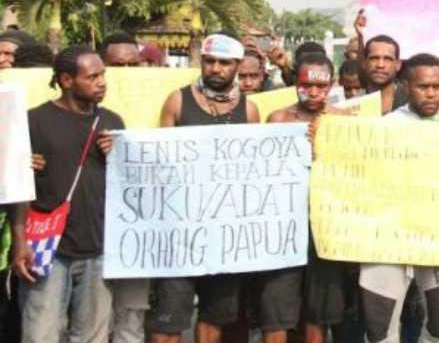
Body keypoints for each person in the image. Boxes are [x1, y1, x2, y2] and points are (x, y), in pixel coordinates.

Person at [148, 33, 261, 343]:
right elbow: (157, 159)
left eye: (224, 62)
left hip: (224, 234)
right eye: (209, 61)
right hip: (180, 232)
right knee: (168, 322)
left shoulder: (249, 112)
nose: (215, 68)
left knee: (213, 319)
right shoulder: (177, 100)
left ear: (238, 65)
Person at [10, 46, 122, 343]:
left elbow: (130, 185)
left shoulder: (113, 123)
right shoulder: (33, 121)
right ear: (66, 80)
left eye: (103, 75)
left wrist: (120, 156)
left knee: (93, 337)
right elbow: (18, 187)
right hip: (48, 251)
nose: (102, 82)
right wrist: (20, 240)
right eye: (92, 76)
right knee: (40, 335)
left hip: (99, 250)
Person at [359, 54, 439, 343]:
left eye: (437, 86)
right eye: (423, 86)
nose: (432, 93)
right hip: (385, 237)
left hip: (438, 237)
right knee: (378, 329)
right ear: (406, 86)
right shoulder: (383, 128)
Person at [268, 53, 340, 343]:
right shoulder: (277, 119)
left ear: (331, 86)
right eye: (306, 85)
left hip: (326, 227)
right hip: (283, 226)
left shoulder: (344, 122)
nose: (313, 92)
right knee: (275, 309)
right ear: (295, 82)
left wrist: (326, 146)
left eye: (320, 87)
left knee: (317, 313)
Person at [95, 34, 148, 343]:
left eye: (133, 64)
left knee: (131, 320)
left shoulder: (161, 99)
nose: (127, 71)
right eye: (118, 66)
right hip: (90, 236)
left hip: (136, 232)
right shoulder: (88, 112)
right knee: (93, 321)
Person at [362, 35, 406, 113]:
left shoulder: (413, 101)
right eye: (374, 58)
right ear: (364, 63)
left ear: (398, 65)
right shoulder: (352, 104)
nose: (380, 65)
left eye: (388, 59)